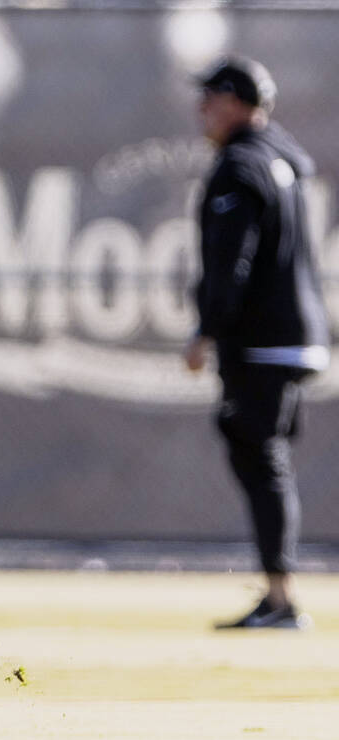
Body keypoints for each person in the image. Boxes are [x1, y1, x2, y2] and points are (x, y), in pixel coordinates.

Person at [185, 56, 329, 630]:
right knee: (263, 455)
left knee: (262, 458)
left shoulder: (240, 166)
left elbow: (231, 263)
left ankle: (281, 599)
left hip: (261, 341)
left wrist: (207, 330)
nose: (201, 110)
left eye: (210, 98)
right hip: (295, 336)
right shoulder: (281, 157)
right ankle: (278, 594)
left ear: (236, 102)